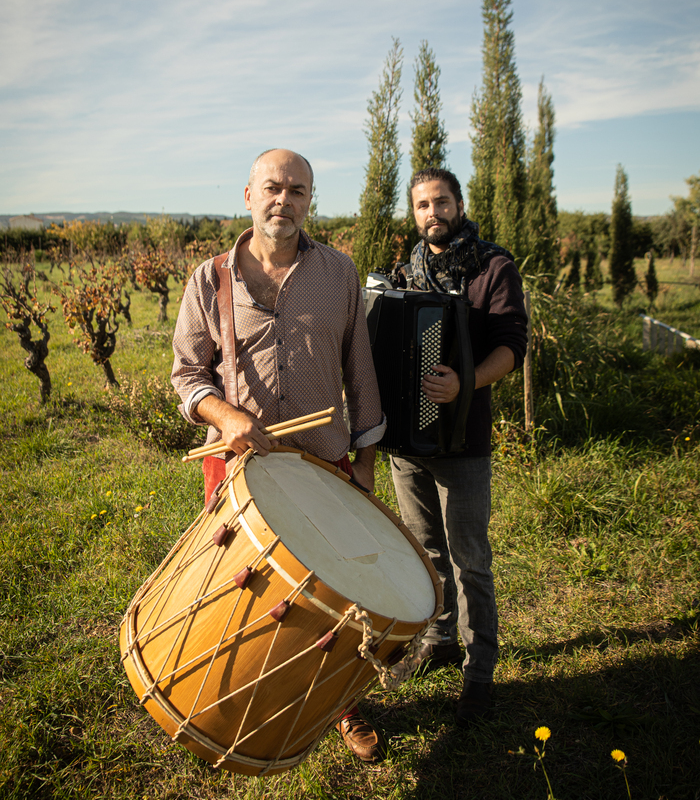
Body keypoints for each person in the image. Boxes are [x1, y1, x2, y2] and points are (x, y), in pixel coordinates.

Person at [171, 148, 387, 762]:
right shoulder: (209, 279)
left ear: (309, 201)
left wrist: (366, 463)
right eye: (272, 187)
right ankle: (220, 692)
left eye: (297, 191)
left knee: (333, 592)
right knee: (238, 588)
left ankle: (341, 706)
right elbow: (188, 377)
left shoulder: (339, 274)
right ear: (248, 195)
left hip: (323, 461)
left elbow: (359, 372)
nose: (282, 201)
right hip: (238, 467)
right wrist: (226, 415)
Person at [390, 166, 528, 727]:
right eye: (422, 205)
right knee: (425, 553)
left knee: (471, 558)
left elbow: (512, 347)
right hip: (407, 443)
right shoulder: (404, 271)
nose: (432, 213)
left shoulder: (493, 267)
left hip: (464, 441)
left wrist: (465, 382)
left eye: (441, 202)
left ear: (459, 203)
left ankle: (480, 671)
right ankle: (440, 640)